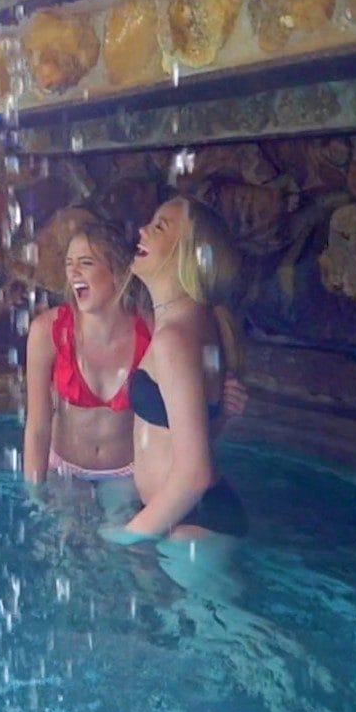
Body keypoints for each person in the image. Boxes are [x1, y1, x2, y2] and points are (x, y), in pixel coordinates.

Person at [22, 218, 244, 487]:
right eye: (69, 263)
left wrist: (221, 412)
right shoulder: (47, 331)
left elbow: (180, 433)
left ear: (117, 272)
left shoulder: (154, 333)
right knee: (62, 516)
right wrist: (34, 493)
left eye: (86, 263)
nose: (73, 272)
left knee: (125, 515)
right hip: (63, 468)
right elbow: (37, 427)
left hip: (128, 473)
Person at [105, 195, 248, 542]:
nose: (142, 230)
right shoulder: (198, 323)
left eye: (159, 227)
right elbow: (187, 435)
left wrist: (126, 537)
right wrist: (222, 417)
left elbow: (196, 474)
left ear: (188, 253)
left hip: (192, 525)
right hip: (177, 515)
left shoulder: (175, 339)